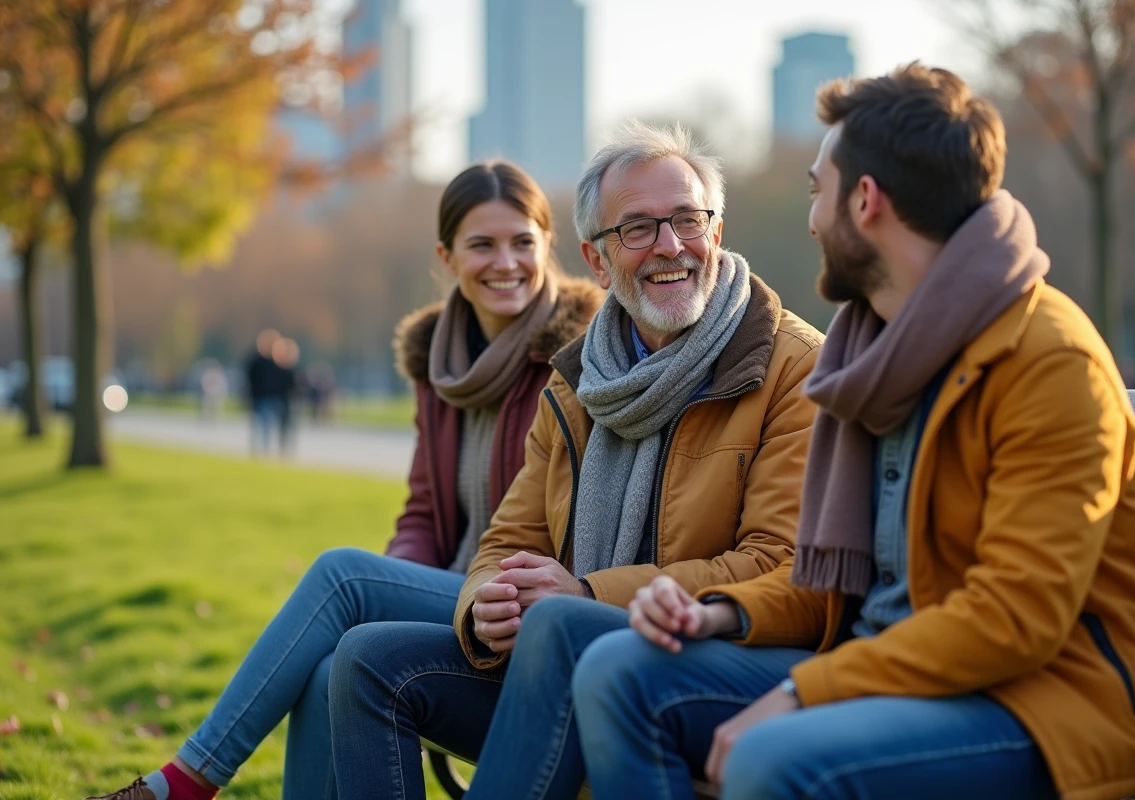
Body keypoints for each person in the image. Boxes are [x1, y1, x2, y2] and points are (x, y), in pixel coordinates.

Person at [568, 63, 1135, 800]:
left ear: (865, 200)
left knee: (775, 760)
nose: (811, 219)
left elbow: (1015, 619)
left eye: (817, 190)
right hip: (883, 667)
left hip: (1040, 706)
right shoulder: (874, 352)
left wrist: (803, 693)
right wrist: (720, 612)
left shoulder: (1048, 361)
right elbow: (837, 585)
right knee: (618, 671)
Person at [326, 121, 825, 799]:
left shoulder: (794, 369)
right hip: (565, 649)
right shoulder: (578, 381)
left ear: (718, 231)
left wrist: (589, 595)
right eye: (638, 228)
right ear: (597, 260)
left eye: (688, 219)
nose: (670, 246)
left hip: (715, 659)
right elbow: (507, 539)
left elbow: (782, 567)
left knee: (561, 624)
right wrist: (484, 604)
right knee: (368, 660)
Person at [88, 160, 603, 800]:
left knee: (343, 577)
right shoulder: (439, 366)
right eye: (482, 244)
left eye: (522, 241)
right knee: (328, 664)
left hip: (516, 605)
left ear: (548, 244)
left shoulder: (578, 363)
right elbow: (423, 512)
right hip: (450, 598)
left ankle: (187, 781)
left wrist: (383, 588)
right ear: (446, 257)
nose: (506, 262)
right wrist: (395, 586)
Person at [245, 328, 281, 454]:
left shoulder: (277, 362)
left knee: (267, 424)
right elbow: (250, 380)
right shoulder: (256, 362)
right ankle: (259, 448)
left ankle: (264, 448)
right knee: (261, 424)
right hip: (260, 397)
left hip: (272, 397)